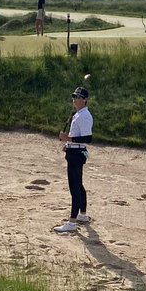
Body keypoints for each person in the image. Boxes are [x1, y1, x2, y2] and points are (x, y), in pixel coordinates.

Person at [55, 85, 93, 233]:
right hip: (74, 151)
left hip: (77, 154)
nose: (75, 100)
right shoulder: (79, 114)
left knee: (74, 187)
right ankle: (82, 215)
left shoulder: (84, 116)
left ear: (85, 100)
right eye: (74, 97)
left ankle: (71, 222)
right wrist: (68, 143)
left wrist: (68, 138)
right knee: (78, 184)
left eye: (78, 98)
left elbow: (88, 138)